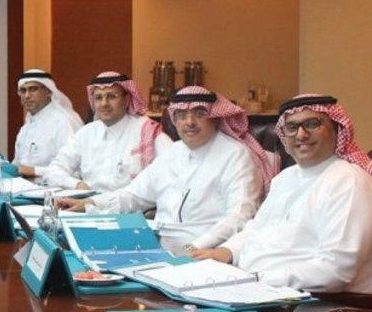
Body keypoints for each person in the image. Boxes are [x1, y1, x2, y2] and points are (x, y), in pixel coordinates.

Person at [190, 94, 372, 292]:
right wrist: (226, 251)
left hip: (312, 302)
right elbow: (257, 229)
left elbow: (337, 268)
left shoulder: (348, 180)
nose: (301, 135)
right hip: (256, 287)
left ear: (336, 129)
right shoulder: (286, 177)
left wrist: (259, 279)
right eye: (291, 127)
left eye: (312, 124)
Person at [56, 86, 272, 252]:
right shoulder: (173, 153)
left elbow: (239, 217)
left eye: (199, 114)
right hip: (159, 247)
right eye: (181, 115)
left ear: (214, 118)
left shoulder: (235, 155)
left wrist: (194, 248)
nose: (189, 122)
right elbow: (133, 196)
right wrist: (90, 204)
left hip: (206, 254)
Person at [44, 71, 173, 191]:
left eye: (111, 96)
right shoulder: (86, 133)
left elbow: (174, 172)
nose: (104, 104)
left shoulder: (148, 132)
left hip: (131, 206)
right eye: (98, 98)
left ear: (127, 100)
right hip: (87, 204)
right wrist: (77, 185)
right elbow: (53, 171)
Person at [12, 69, 83, 178]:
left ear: (49, 91)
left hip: (56, 187)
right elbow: (17, 166)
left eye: (33, 89)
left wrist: (34, 171)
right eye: (23, 90)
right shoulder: (25, 129)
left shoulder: (63, 122)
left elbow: (77, 172)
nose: (27, 96)